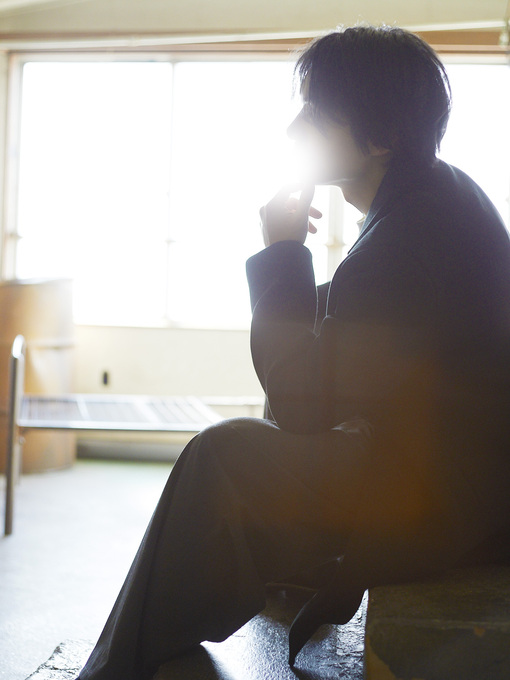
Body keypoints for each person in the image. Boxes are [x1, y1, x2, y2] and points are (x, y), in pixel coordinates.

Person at [77, 25, 510, 680]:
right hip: (463, 484)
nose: (294, 130)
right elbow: (346, 335)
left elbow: (304, 403)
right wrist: (291, 270)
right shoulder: (437, 200)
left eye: (315, 111)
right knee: (265, 417)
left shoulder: (406, 236)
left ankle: (119, 668)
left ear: (381, 137)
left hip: (446, 507)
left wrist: (282, 255)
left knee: (221, 456)